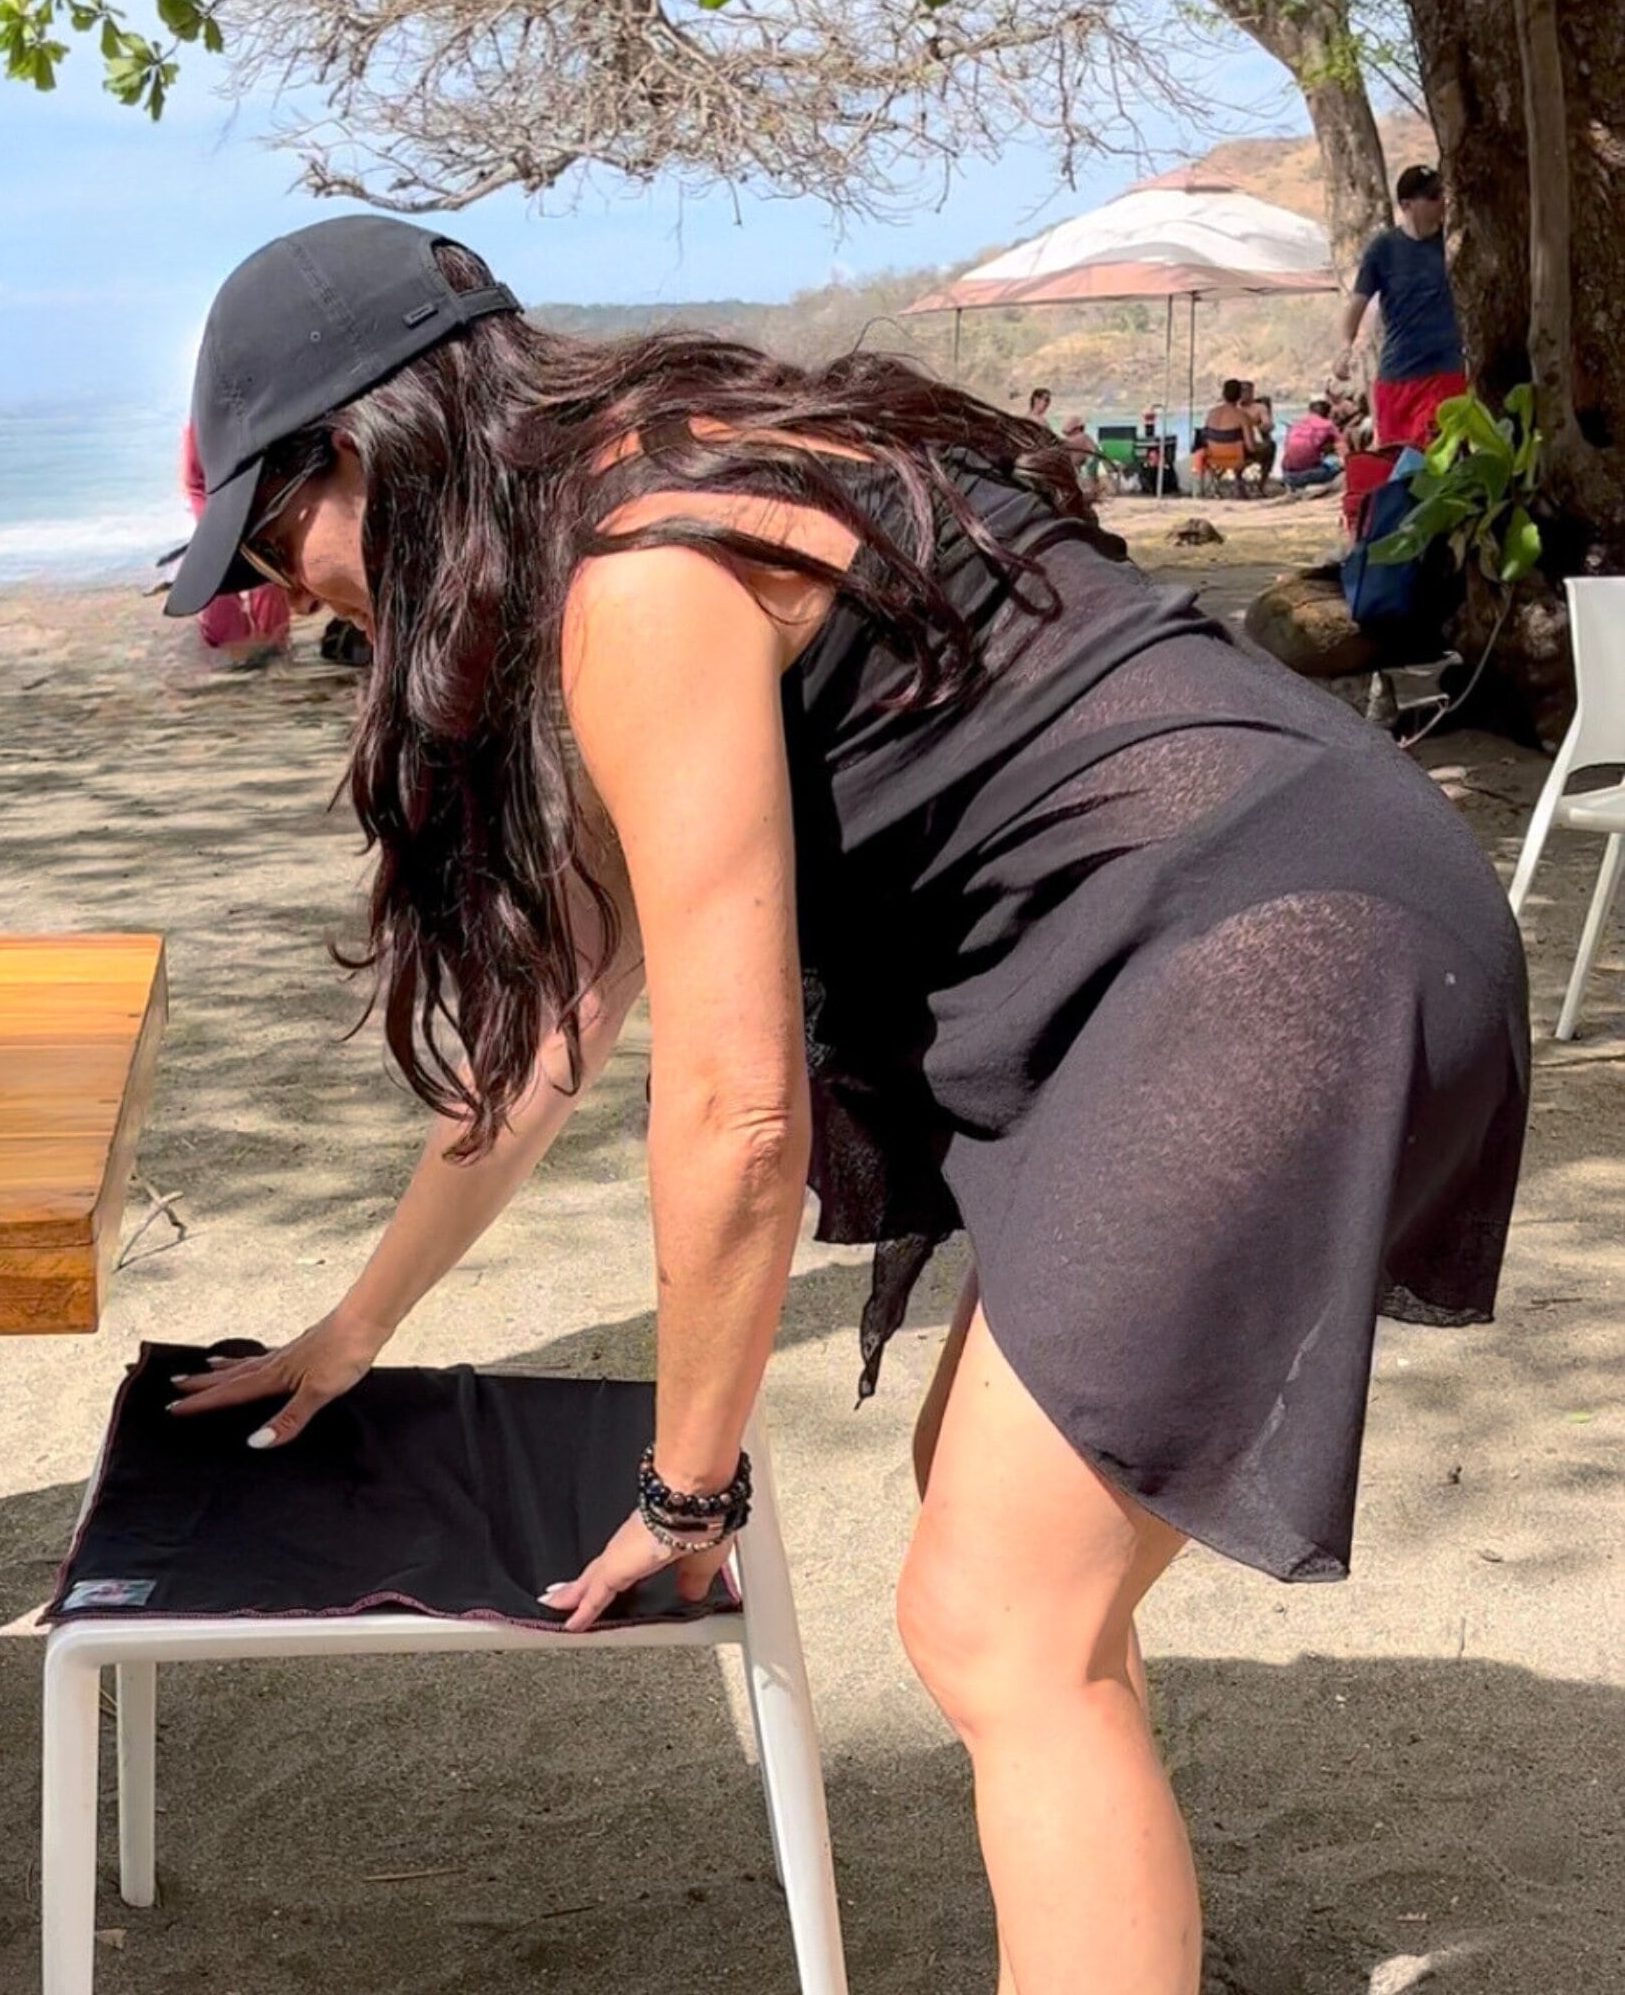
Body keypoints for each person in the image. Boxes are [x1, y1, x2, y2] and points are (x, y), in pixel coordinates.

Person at [162, 216, 1530, 1995]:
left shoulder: (638, 572)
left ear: (364, 447)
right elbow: (562, 1019)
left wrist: (684, 1488)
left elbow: (735, 1118)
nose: (301, 593)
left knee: (994, 1620)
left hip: (1267, 942)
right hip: (1255, 906)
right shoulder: (647, 484)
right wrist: (353, 1326)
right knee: (994, 1546)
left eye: (277, 537)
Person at [1336, 166, 1466, 451]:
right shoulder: (1383, 249)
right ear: (1407, 205)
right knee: (1400, 462)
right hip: (1399, 375)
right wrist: (1346, 347)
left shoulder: (1453, 244)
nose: (1442, 201)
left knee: (1440, 458)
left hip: (1445, 372)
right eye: (1432, 196)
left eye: (1443, 193)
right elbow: (1357, 303)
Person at [180, 420, 292, 664]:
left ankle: (275, 649)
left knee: (268, 580)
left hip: (261, 511)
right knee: (218, 586)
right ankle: (228, 653)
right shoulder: (200, 424)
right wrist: (216, 528)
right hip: (217, 515)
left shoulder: (263, 414)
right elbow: (195, 484)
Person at [1198, 379, 1256, 497]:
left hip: (1213, 458)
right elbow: (1251, 447)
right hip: (1237, 459)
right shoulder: (1242, 416)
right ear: (1240, 395)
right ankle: (1258, 485)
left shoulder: (1211, 413)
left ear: (1223, 394)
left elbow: (1204, 439)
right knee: (1268, 449)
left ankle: (1218, 484)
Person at [1281, 398, 1344, 489]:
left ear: (1310, 411)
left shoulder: (1296, 424)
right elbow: (1343, 450)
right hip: (1311, 475)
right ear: (1328, 414)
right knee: (1336, 464)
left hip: (1287, 476)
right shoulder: (1328, 425)